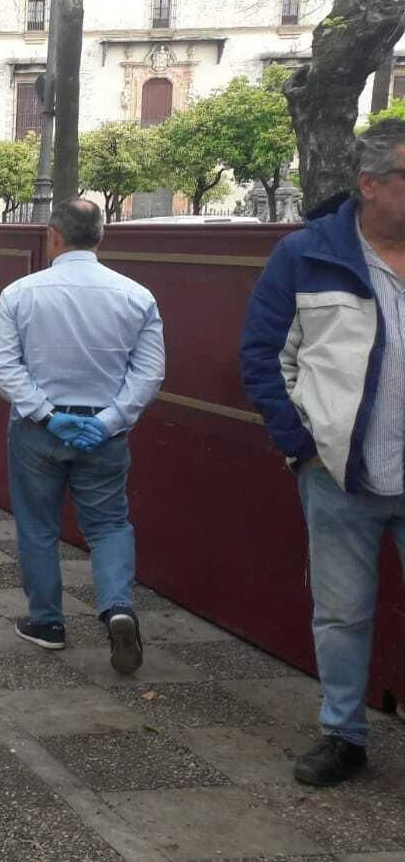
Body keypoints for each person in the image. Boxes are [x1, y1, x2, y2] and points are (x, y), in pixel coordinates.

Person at [240, 118, 405, 788]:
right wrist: (302, 447)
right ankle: (343, 735)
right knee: (342, 614)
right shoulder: (306, 255)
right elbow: (261, 355)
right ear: (370, 184)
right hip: (340, 476)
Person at [0, 199, 164, 675]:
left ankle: (47, 622)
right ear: (100, 236)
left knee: (38, 526)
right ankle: (117, 608)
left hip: (38, 430)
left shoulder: (20, 294)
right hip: (104, 432)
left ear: (53, 236)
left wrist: (46, 415)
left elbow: (5, 367)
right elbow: (148, 374)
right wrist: (108, 421)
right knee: (108, 524)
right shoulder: (136, 296)